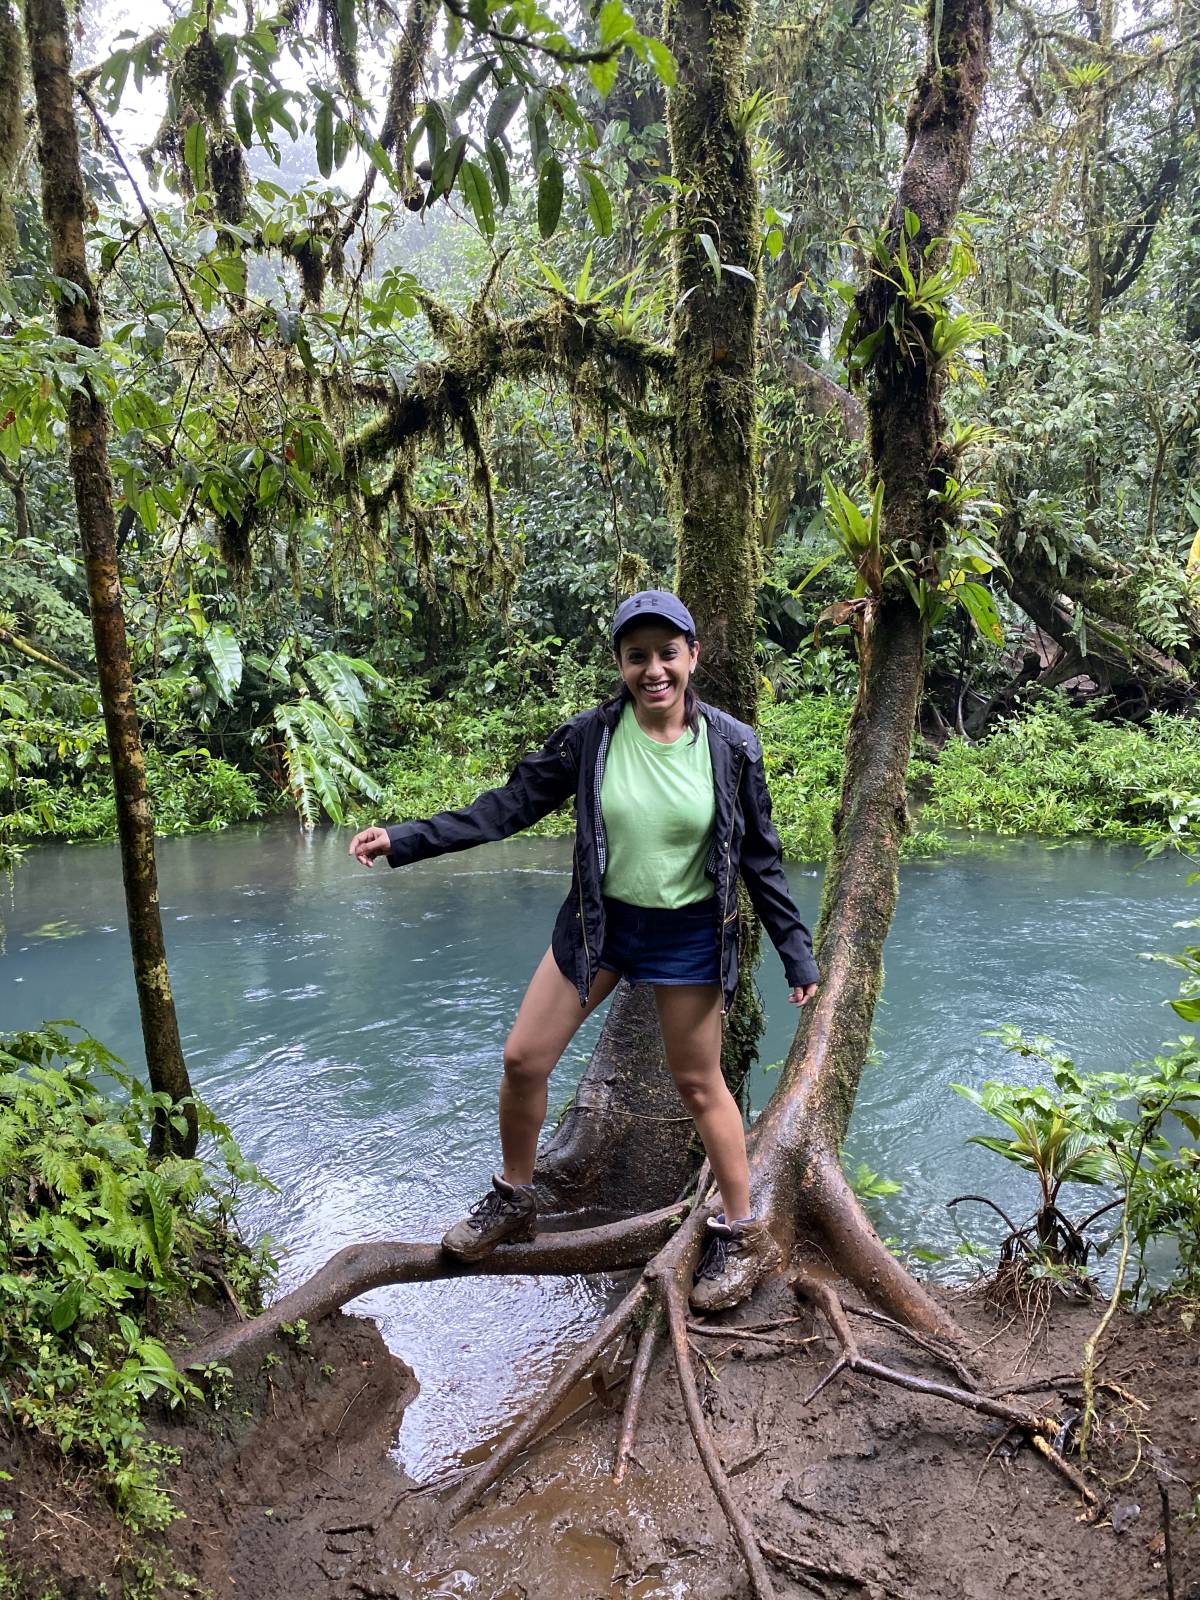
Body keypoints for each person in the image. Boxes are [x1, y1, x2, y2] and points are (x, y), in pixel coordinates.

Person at [348, 590, 820, 1310]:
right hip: (600, 927)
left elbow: (760, 858)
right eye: (638, 656)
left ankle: (741, 1230)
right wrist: (406, 839)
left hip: (690, 933)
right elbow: (505, 808)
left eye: (668, 653)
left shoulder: (731, 745)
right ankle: (514, 1198)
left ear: (693, 656)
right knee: (522, 1058)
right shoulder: (591, 738)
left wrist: (796, 951)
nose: (654, 669)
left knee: (699, 1086)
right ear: (621, 665)